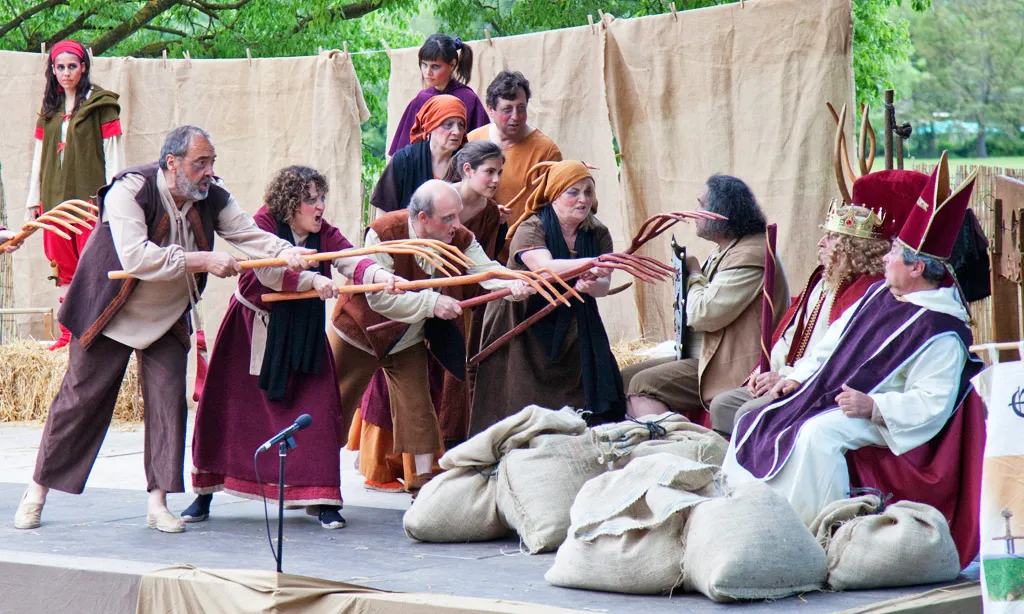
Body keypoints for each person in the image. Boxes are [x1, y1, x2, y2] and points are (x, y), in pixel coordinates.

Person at [13, 126, 314, 534]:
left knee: (168, 403)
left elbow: (249, 235)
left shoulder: (213, 195)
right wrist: (202, 260)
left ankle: (158, 503)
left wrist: (286, 252)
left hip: (168, 313)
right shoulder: (130, 190)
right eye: (200, 163)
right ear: (171, 163)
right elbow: (136, 257)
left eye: (211, 162)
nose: (209, 172)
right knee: (79, 403)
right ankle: (36, 492)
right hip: (109, 309)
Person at [724, 153, 984, 531]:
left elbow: (931, 402)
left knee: (817, 435)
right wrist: (796, 377)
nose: (886, 258)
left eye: (895, 253)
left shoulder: (941, 329)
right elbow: (831, 346)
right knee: (762, 417)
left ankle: (820, 529)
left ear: (916, 268)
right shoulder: (881, 295)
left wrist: (874, 406)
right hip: (841, 398)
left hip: (885, 419)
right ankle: (753, 514)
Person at [184, 166, 404, 529]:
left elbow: (350, 259)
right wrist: (313, 280)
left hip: (304, 334)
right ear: (289, 204)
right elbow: (270, 273)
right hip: (250, 332)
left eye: (322, 198)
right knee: (228, 412)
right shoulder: (263, 224)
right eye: (310, 199)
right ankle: (204, 495)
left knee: (320, 413)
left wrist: (383, 277)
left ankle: (323, 499)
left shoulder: (323, 232)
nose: (320, 206)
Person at [330, 180, 534, 492]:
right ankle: (316, 480)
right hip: (359, 331)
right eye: (448, 218)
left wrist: (516, 284)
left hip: (406, 337)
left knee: (418, 410)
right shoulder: (385, 232)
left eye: (458, 216)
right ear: (423, 218)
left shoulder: (459, 237)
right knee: (334, 404)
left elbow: (487, 271)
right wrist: (432, 303)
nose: (457, 225)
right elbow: (380, 299)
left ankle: (423, 488)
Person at [708, 169, 929, 435]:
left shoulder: (864, 293)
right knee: (723, 405)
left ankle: (754, 460)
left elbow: (832, 355)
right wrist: (765, 373)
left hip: (814, 386)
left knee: (748, 413)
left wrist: (786, 376)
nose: (821, 242)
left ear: (852, 247)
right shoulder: (823, 281)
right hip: (787, 375)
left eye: (831, 237)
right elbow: (789, 336)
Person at [468, 160, 625, 436]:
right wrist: (592, 263)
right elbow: (545, 269)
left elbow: (602, 288)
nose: (583, 199)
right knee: (519, 393)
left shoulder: (597, 233)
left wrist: (588, 284)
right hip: (523, 318)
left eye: (588, 192)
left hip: (575, 319)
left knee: (583, 392)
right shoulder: (531, 227)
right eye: (573, 192)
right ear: (554, 195)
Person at [620, 175, 789, 427]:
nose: (694, 213)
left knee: (643, 384)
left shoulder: (750, 254)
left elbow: (703, 314)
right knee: (625, 377)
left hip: (734, 366)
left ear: (721, 213)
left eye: (700, 205)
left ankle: (677, 445)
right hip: (709, 355)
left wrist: (694, 274)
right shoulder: (729, 248)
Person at [25, 39, 125, 350]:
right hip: (55, 203)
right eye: (60, 67)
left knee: (90, 266)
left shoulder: (101, 105)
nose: (66, 72)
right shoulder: (49, 110)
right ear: (53, 71)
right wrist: (34, 200)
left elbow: (113, 155)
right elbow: (39, 158)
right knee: (63, 268)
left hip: (89, 203)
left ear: (83, 67)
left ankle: (90, 334)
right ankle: (68, 335)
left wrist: (113, 197)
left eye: (72, 66)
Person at [468, 70, 562, 225]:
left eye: (521, 108)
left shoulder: (546, 151)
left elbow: (554, 206)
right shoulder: (472, 140)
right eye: (507, 109)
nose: (516, 116)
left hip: (525, 238)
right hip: (478, 237)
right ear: (490, 109)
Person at [389, 34, 489, 156]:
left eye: (435, 66)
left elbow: (483, 151)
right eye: (424, 64)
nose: (427, 72)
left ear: (452, 64)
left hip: (459, 166)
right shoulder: (421, 99)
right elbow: (402, 154)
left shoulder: (468, 98)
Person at [372, 95, 467, 213]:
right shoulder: (404, 160)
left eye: (461, 125)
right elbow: (384, 212)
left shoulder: (466, 165)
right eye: (448, 125)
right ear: (430, 126)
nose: (457, 132)